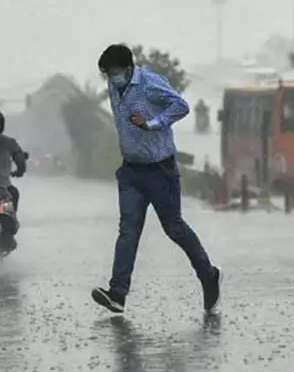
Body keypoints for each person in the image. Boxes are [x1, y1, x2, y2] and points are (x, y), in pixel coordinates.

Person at [90, 43, 222, 315]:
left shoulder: (150, 83)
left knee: (174, 228)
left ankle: (209, 276)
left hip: (160, 170)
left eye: (114, 72)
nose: (111, 78)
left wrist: (152, 123)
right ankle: (118, 293)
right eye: (107, 74)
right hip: (131, 172)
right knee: (128, 231)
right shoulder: (114, 87)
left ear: (128, 68)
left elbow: (181, 106)